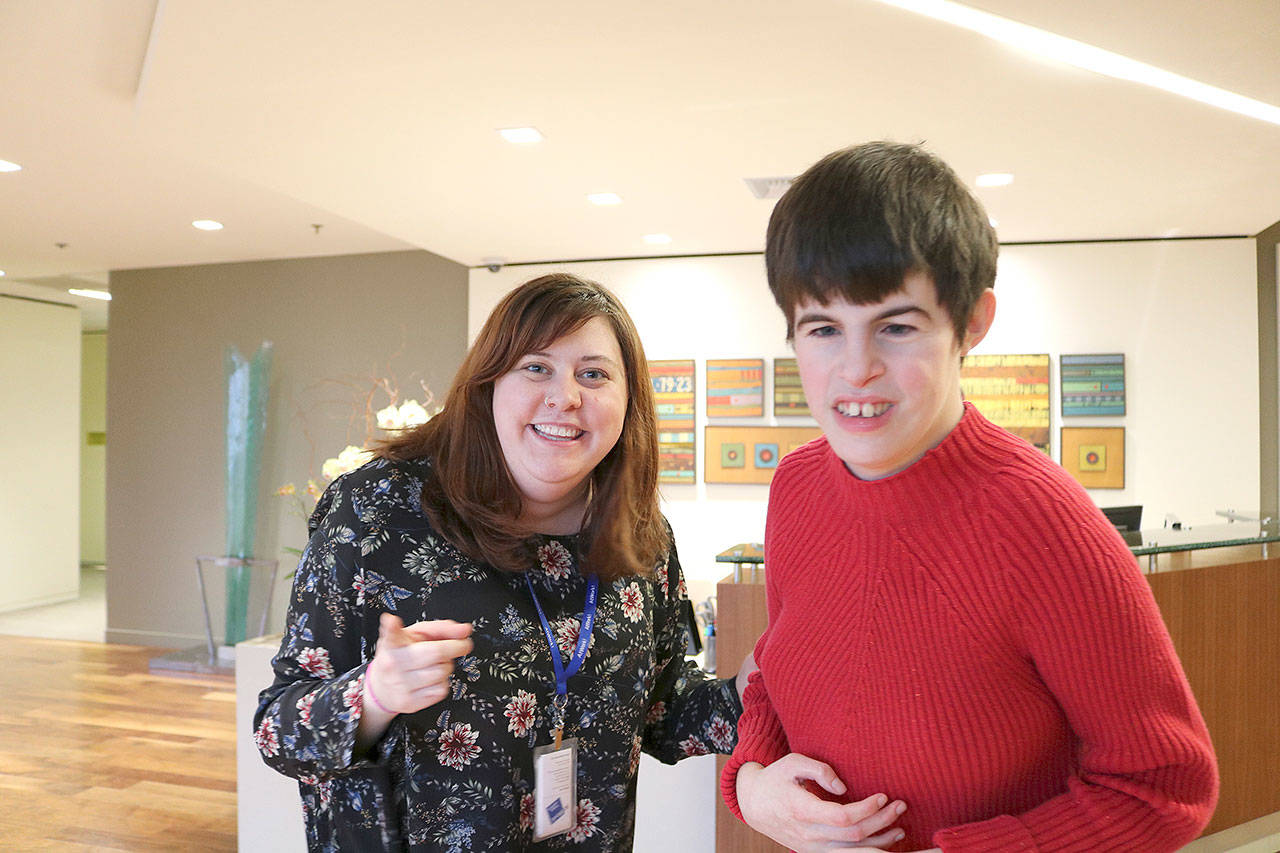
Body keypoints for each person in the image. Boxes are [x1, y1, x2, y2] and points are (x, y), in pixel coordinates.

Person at [720, 142, 1219, 852]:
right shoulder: (797, 484)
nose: (855, 369)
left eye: (896, 326)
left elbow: (1164, 784)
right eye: (823, 329)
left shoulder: (1043, 520)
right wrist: (752, 780)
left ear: (971, 322)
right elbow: (778, 666)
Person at [256, 273, 754, 851]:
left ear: (629, 402)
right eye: (536, 367)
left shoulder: (639, 534)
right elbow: (278, 731)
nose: (565, 397)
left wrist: (748, 692)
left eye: (593, 374)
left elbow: (661, 709)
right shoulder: (376, 510)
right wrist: (373, 695)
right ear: (488, 384)